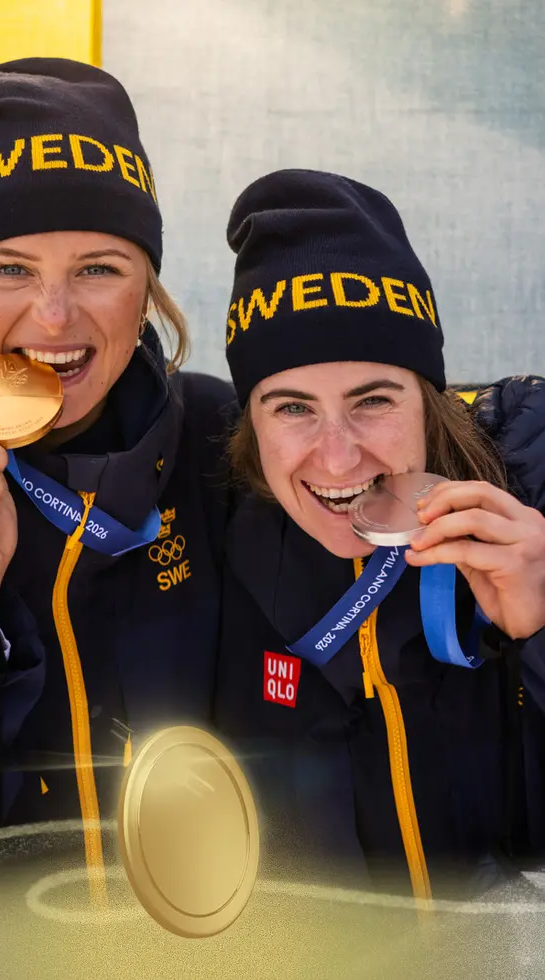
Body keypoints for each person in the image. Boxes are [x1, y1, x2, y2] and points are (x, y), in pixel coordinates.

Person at [0, 58, 237, 873]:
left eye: (99, 268)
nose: (54, 316)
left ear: (147, 289)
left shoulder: (223, 442)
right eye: (9, 269)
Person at [214, 169, 545, 900]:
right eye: (292, 408)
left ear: (429, 401)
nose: (337, 457)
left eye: (372, 401)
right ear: (251, 422)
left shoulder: (530, 493)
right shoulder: (215, 544)